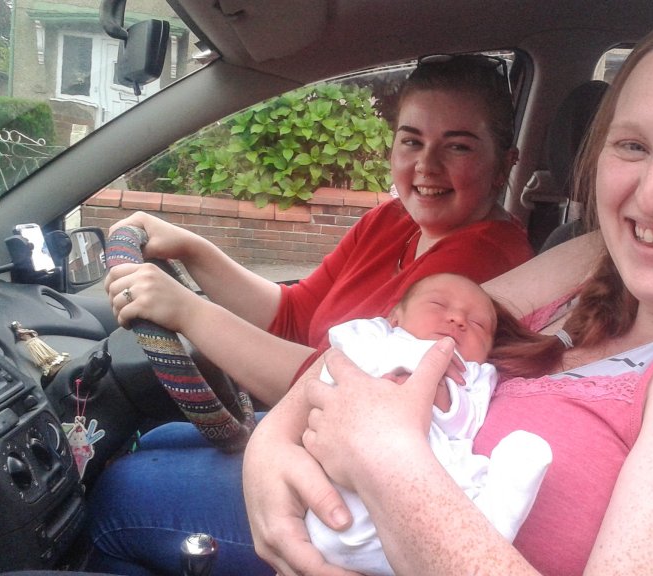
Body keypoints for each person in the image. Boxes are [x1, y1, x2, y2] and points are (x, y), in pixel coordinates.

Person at [242, 7, 653, 576]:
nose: (651, 195)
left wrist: (386, 463)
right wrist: (269, 444)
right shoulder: (595, 258)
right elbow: (386, 342)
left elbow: (383, 445)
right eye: (632, 146)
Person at [86, 54, 534, 576]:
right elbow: (296, 314)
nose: (426, 166)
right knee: (157, 441)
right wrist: (193, 250)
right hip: (309, 444)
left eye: (458, 146)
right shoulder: (391, 221)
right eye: (412, 141)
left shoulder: (483, 268)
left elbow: (329, 381)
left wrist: (188, 311)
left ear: (505, 164)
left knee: (120, 496)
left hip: (357, 501)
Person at [305, 273, 552, 576]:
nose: (458, 319)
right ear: (395, 316)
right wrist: (416, 360)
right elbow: (336, 364)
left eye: (478, 325)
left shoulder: (476, 374)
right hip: (342, 500)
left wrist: (444, 396)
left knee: (475, 472)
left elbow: (468, 423)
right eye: (438, 304)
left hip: (430, 504)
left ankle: (485, 533)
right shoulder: (374, 336)